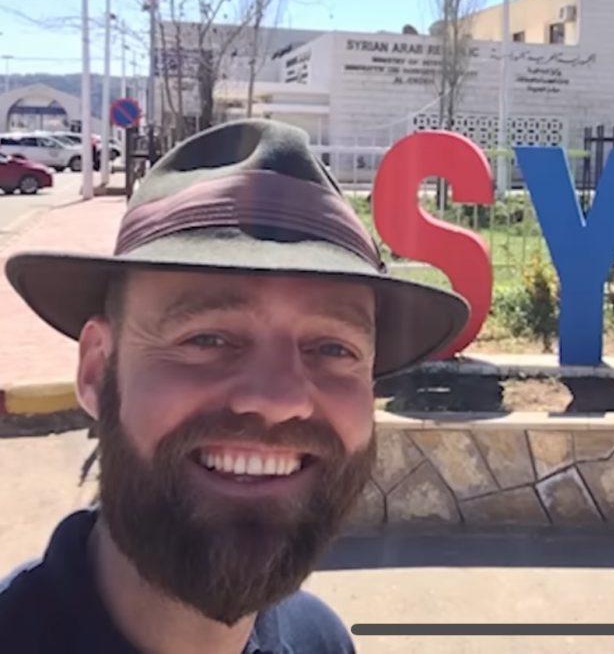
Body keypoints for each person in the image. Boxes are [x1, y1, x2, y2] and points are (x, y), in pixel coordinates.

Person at [0, 119, 469, 653]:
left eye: (334, 349)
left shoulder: (319, 640)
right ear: (97, 371)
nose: (278, 400)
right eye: (208, 338)